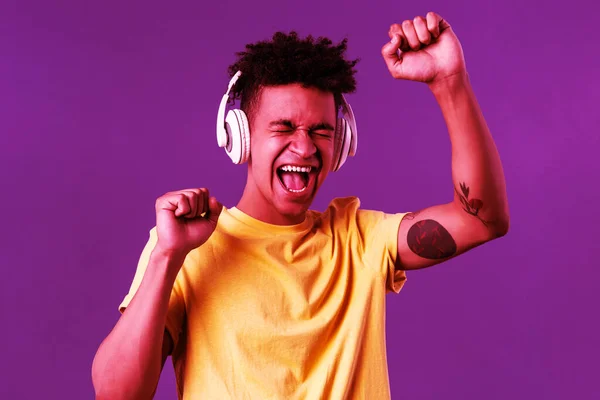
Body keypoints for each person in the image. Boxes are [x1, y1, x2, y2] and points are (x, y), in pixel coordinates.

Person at [92, 11, 509, 400]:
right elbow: (117, 394)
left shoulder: (360, 240)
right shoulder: (182, 248)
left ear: (342, 144)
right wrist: (168, 256)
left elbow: (481, 218)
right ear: (239, 136)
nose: (305, 146)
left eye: (322, 131)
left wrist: (449, 82)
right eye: (284, 127)